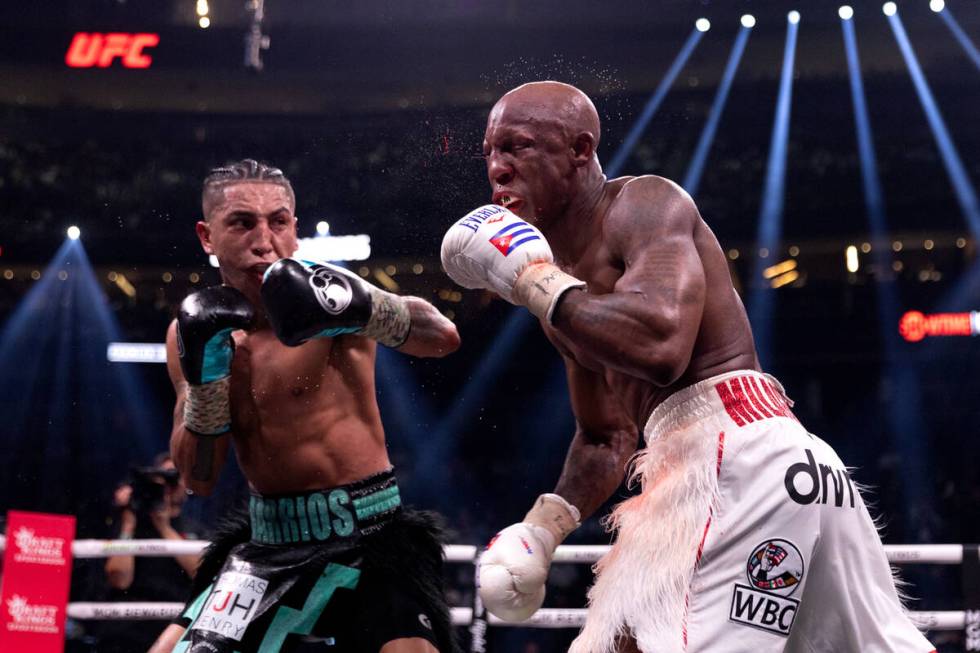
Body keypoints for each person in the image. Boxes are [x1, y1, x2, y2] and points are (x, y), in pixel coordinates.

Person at [440, 82, 935, 653]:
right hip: (770, 466)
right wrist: (542, 529)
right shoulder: (561, 300)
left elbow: (662, 344)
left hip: (732, 458)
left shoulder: (644, 204)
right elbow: (606, 436)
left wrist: (535, 283)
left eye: (517, 147)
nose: (498, 169)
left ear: (580, 149)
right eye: (489, 154)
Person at [150, 159, 461, 653]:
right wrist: (208, 382)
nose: (264, 239)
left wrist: (361, 306)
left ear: (295, 229)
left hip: (372, 537)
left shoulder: (328, 294)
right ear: (207, 237)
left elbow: (442, 336)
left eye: (278, 221)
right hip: (268, 542)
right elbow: (198, 477)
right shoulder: (191, 331)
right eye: (242, 223)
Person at [101, 454, 200, 652]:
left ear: (185, 485)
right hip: (126, 631)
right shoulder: (129, 526)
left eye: (173, 478)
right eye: (162, 480)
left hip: (175, 630)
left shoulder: (197, 530)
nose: (168, 488)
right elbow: (120, 579)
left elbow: (200, 573)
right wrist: (128, 522)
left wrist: (164, 528)